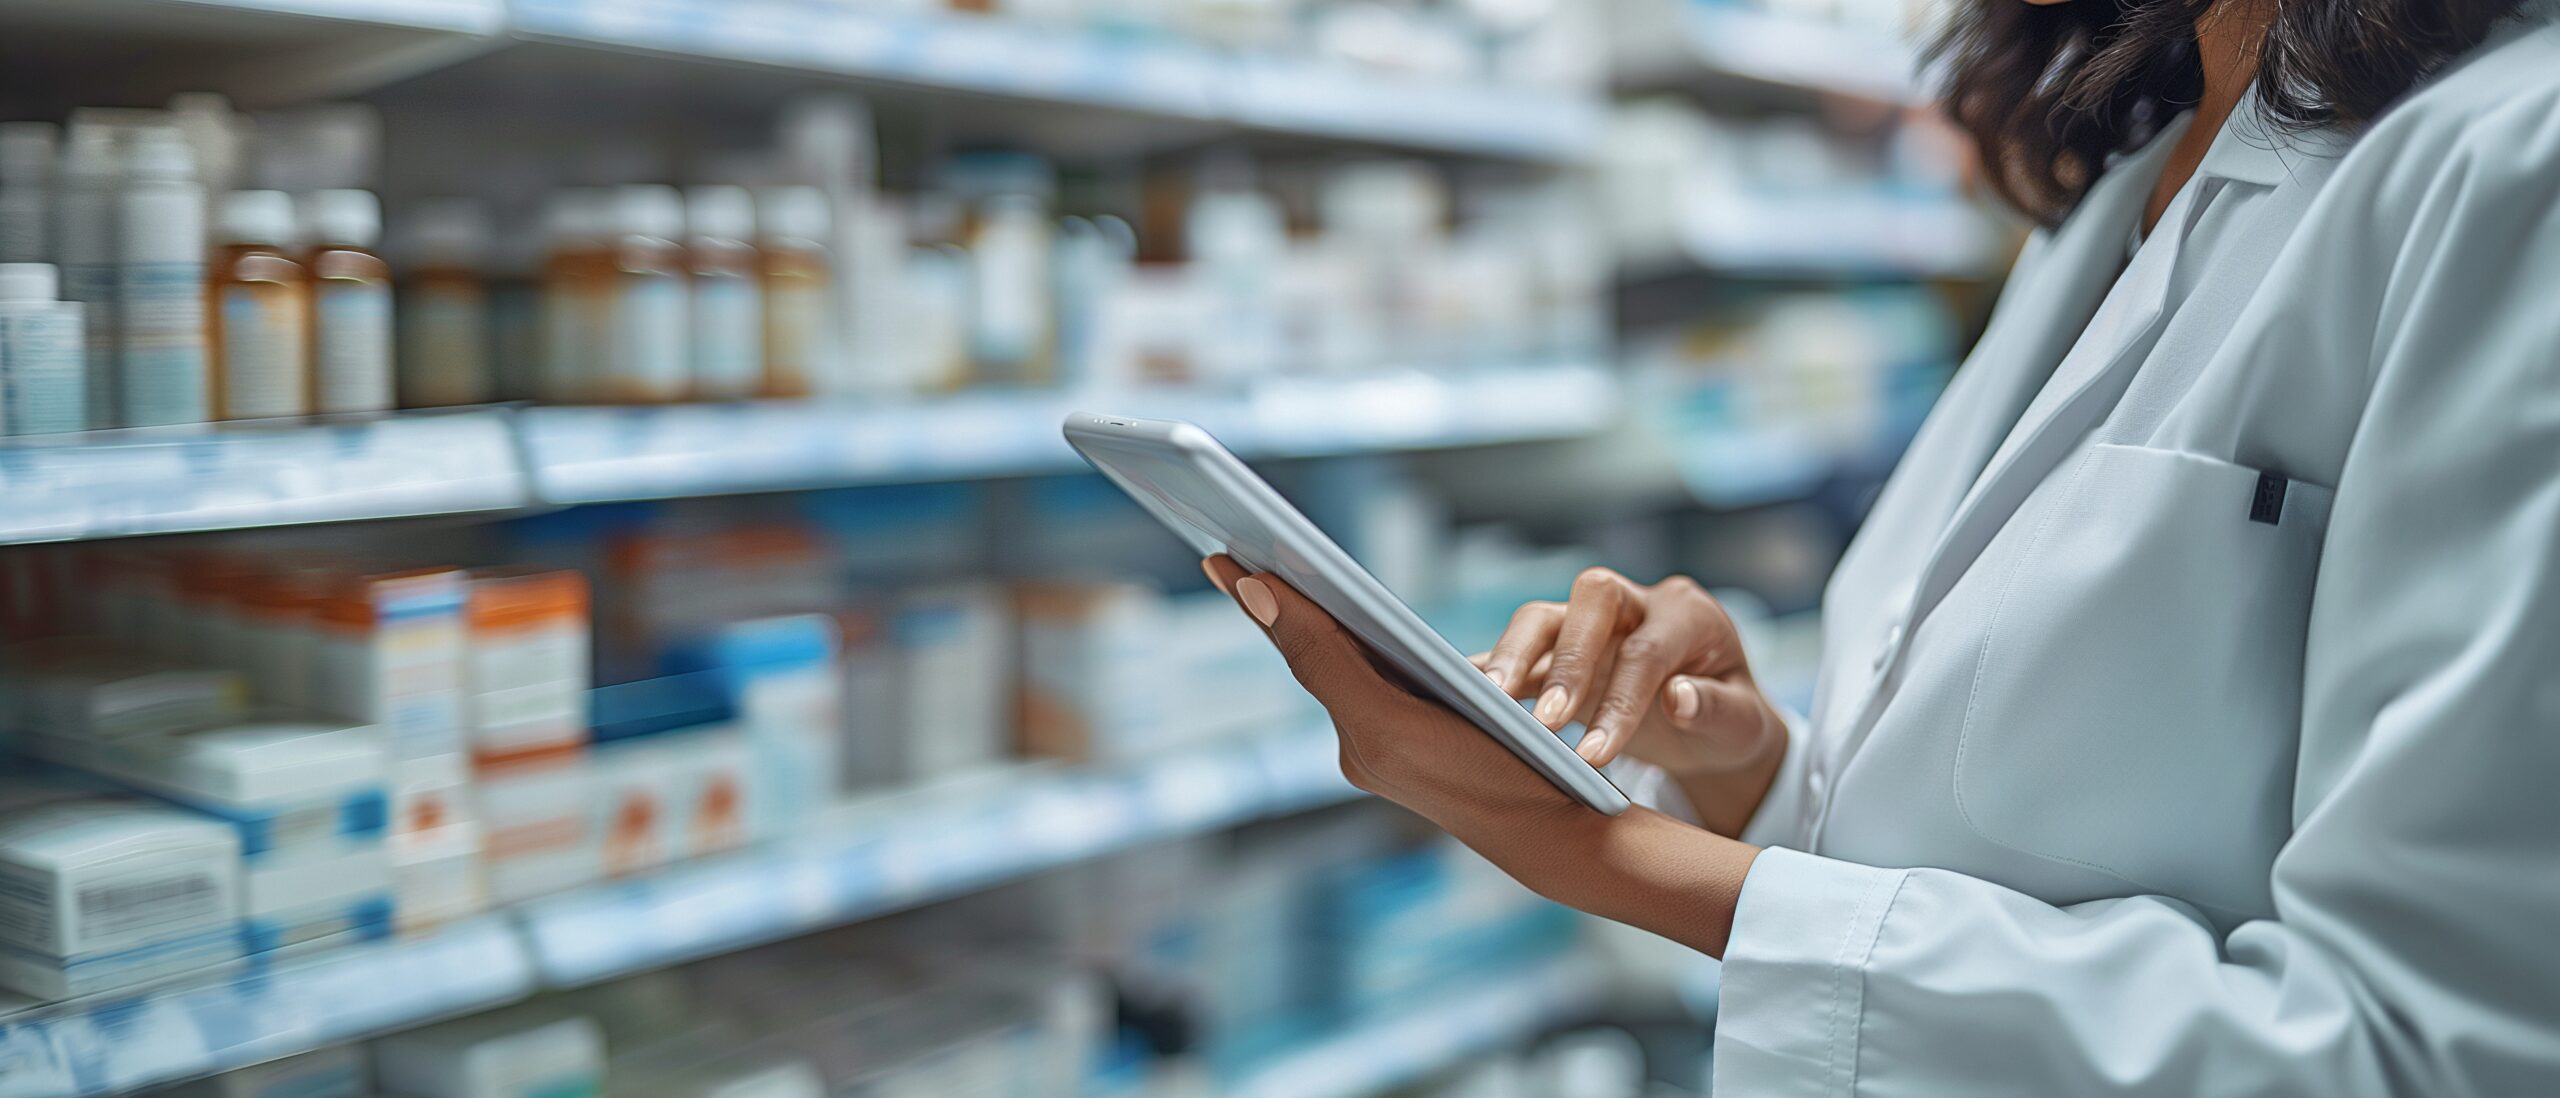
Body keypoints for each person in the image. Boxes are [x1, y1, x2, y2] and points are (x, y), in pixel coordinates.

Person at [1204, 0, 2560, 1090]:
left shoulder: (2517, 155)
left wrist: (1625, 863)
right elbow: (2013, 825)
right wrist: (1753, 771)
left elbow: (2429, 1048)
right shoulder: (2145, 170)